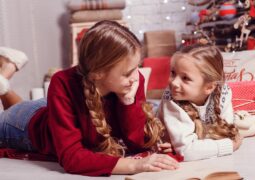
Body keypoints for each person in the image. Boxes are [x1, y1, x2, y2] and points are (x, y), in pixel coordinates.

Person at [0, 20, 179, 176]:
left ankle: (4, 77)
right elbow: (72, 157)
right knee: (10, 115)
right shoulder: (62, 82)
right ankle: (5, 76)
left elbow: (137, 142)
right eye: (127, 73)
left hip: (53, 108)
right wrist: (134, 164)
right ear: (98, 73)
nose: (136, 77)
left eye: (137, 66)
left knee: (20, 104)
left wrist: (128, 103)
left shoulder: (133, 79)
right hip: (26, 123)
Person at [157, 44, 242, 161]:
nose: (174, 83)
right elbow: (186, 151)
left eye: (185, 78)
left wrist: (196, 145)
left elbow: (227, 133)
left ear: (209, 87)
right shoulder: (172, 100)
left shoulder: (223, 92)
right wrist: (229, 146)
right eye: (173, 73)